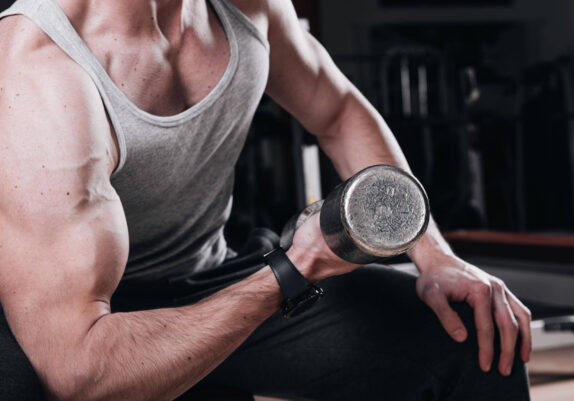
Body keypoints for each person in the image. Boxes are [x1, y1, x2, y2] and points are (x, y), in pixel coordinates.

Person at [0, 0, 532, 399]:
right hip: (64, 318)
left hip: (202, 278)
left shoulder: (246, 7)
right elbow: (81, 366)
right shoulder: (41, 68)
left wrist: (434, 254)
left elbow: (338, 110)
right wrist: (295, 267)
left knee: (476, 334)